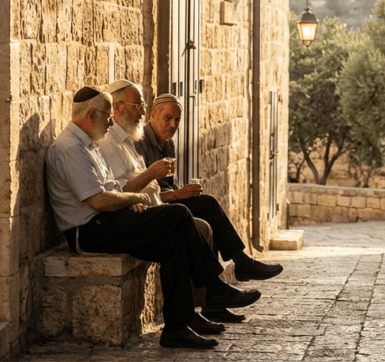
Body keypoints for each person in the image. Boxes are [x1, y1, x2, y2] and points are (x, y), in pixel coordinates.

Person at [45, 87, 262, 350]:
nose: (111, 120)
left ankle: (176, 328)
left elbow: (114, 190)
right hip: (89, 231)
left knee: (175, 243)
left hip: (107, 221)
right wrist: (136, 199)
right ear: (92, 115)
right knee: (179, 214)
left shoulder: (89, 145)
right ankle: (215, 288)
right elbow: (98, 200)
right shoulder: (70, 148)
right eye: (107, 115)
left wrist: (127, 200)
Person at [96, 79, 229, 329]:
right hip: (123, 219)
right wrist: (146, 184)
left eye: (143, 106)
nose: (142, 113)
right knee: (183, 219)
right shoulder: (107, 144)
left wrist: (168, 191)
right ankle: (215, 290)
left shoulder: (125, 141)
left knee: (185, 232)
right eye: (138, 106)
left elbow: (135, 186)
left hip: (144, 208)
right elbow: (113, 192)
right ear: (117, 108)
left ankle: (185, 319)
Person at [135, 93, 284, 297]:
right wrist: (178, 195)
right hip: (153, 209)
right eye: (168, 118)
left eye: (177, 120)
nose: (173, 124)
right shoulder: (139, 143)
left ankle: (217, 298)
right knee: (206, 210)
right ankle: (234, 273)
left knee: (208, 211)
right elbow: (144, 192)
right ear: (152, 114)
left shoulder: (168, 144)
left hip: (168, 201)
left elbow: (167, 185)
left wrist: (182, 192)